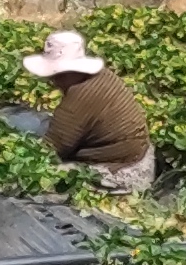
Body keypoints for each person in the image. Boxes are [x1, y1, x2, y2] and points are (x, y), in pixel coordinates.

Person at [23, 30, 155, 196]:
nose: (51, 80)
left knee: (46, 178)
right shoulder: (102, 76)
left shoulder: (80, 98)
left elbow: (52, 149)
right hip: (140, 155)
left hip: (123, 172)